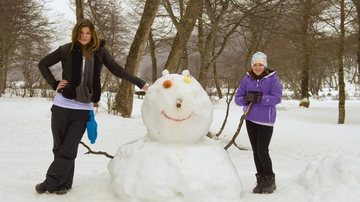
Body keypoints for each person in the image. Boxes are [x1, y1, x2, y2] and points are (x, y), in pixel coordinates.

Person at [35, 19, 149, 195]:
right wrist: (54, 83)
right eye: (81, 33)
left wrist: (140, 83)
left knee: (69, 147)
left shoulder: (100, 52)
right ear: (76, 34)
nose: (84, 36)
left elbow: (117, 70)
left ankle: (50, 182)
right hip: (62, 105)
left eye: (88, 33)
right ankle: (64, 183)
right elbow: (43, 63)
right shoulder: (66, 49)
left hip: (82, 109)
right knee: (59, 147)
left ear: (92, 34)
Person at [234, 51, 282, 194]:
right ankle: (261, 179)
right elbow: (238, 99)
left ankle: (270, 179)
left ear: (265, 65)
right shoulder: (246, 79)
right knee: (256, 151)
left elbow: (277, 98)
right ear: (252, 65)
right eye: (255, 64)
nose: (258, 67)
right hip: (250, 119)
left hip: (266, 121)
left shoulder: (273, 80)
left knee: (262, 150)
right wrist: (246, 99)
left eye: (260, 64)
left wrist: (260, 98)